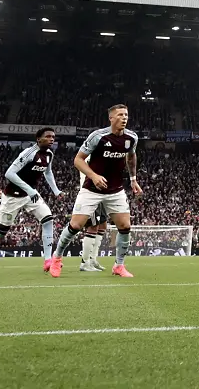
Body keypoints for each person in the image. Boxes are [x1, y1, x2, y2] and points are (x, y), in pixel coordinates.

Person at [48, 104, 142, 278]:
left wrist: (133, 179)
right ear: (111, 118)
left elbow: (131, 156)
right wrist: (93, 175)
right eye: (120, 115)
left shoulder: (131, 137)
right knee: (76, 225)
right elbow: (78, 160)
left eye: (126, 115)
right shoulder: (98, 137)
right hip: (92, 189)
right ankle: (56, 258)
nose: (124, 118)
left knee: (125, 226)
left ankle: (119, 266)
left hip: (115, 190)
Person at [0, 127, 63, 271]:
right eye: (48, 136)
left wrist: (56, 191)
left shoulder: (49, 154)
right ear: (38, 139)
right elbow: (9, 174)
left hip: (31, 195)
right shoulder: (28, 153)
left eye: (53, 137)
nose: (52, 139)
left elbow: (48, 172)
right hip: (13, 196)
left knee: (48, 220)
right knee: (0, 231)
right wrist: (29, 189)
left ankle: (48, 260)